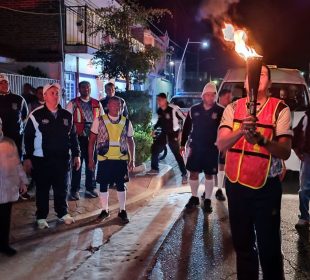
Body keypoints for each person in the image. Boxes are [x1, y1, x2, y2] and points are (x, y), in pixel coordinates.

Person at [217, 64, 292, 280]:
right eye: (253, 74)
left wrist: (260, 139)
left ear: (269, 82)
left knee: (269, 248)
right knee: (243, 245)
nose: (256, 77)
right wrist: (241, 130)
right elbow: (221, 143)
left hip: (265, 188)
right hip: (236, 185)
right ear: (245, 81)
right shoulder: (233, 108)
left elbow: (285, 151)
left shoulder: (280, 109)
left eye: (262, 74)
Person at [23, 83, 81, 229]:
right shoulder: (35, 115)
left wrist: (76, 155)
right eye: (52, 93)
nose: (56, 96)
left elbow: (73, 137)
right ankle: (41, 216)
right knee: (42, 189)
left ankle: (62, 213)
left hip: (62, 159)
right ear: (45, 96)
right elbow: (28, 137)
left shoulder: (67, 115)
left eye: (58, 93)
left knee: (62, 188)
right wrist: (28, 158)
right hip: (42, 160)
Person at [88, 96, 135, 224]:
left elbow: (131, 141)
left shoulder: (126, 122)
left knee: (121, 185)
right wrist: (91, 159)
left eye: (119, 105)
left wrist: (132, 159)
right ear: (108, 106)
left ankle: (122, 210)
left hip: (121, 159)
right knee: (103, 185)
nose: (117, 108)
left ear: (122, 107)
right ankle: (105, 210)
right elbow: (91, 141)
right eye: (114, 105)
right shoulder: (99, 120)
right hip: (104, 159)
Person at [181, 82, 224, 212]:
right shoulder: (194, 110)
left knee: (209, 175)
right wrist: (182, 144)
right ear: (203, 96)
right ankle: (194, 197)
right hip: (196, 146)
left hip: (212, 148)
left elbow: (224, 129)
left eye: (213, 95)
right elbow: (187, 127)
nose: (210, 98)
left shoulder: (221, 110)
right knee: (193, 173)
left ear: (215, 96)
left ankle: (208, 200)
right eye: (208, 95)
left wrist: (224, 145)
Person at [66, 81, 104, 200]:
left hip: (93, 139)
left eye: (88, 87)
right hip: (78, 139)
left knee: (91, 163)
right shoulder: (73, 103)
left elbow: (102, 121)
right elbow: (67, 121)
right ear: (79, 89)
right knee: (77, 164)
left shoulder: (97, 104)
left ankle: (90, 188)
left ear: (90, 89)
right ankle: (74, 190)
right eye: (83, 87)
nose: (86, 89)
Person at [0, 118, 28, 256]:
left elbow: (17, 163)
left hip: (8, 189)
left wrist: (23, 182)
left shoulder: (9, 143)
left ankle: (4, 245)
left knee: (5, 219)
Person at [148, 93, 187, 184]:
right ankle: (154, 168)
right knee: (154, 148)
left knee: (177, 155)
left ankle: (184, 174)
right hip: (164, 133)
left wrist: (181, 131)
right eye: (157, 100)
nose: (158, 102)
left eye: (160, 100)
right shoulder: (160, 110)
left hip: (174, 135)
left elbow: (184, 118)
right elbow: (159, 121)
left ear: (165, 100)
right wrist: (154, 129)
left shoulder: (174, 108)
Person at [0, 73, 28, 157]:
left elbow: (25, 116)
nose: (4, 85)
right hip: (1, 139)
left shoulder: (19, 99)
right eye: (1, 83)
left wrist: (19, 130)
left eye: (6, 82)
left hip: (16, 138)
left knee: (17, 161)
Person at [292, 108, 310, 229]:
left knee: (304, 188)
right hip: (308, 157)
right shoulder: (306, 117)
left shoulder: (306, 117)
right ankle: (304, 216)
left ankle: (304, 217)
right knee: (304, 188)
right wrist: (298, 151)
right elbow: (295, 135)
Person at [215, 89, 233, 201]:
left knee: (221, 165)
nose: (230, 100)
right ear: (221, 97)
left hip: (221, 143)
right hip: (211, 143)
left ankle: (219, 189)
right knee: (212, 167)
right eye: (228, 97)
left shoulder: (228, 110)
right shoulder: (215, 109)